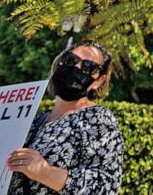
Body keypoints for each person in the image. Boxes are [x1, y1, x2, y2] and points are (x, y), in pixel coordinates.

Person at [7, 40, 124, 195]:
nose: (76, 68)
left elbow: (107, 185)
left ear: (99, 81)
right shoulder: (36, 120)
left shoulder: (98, 119)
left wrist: (45, 171)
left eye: (89, 67)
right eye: (71, 60)